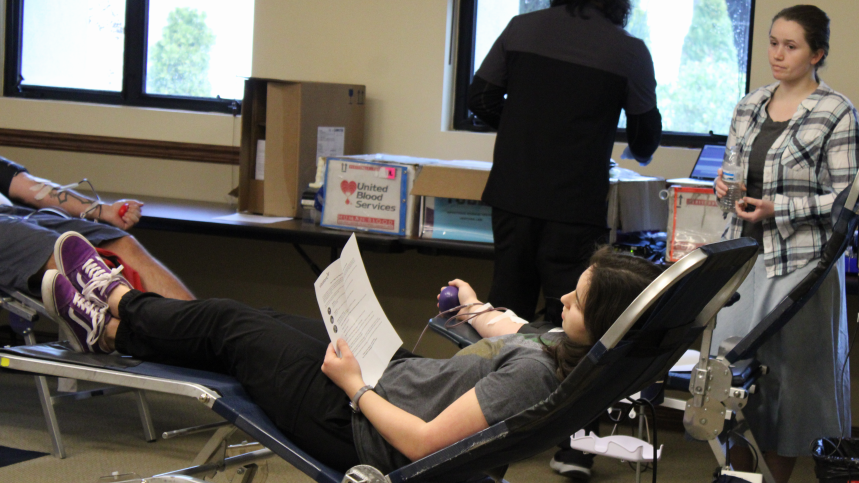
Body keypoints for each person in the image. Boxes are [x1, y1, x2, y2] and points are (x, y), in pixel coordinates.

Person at [41, 232, 662, 475]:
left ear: (602, 325)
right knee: (250, 320)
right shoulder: (565, 354)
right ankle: (112, 321)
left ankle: (115, 304)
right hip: (386, 375)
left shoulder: (532, 380)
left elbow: (421, 445)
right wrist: (473, 304)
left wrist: (353, 385)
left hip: (359, 422)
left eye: (576, 302)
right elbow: (514, 329)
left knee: (231, 328)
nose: (562, 300)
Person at [468, 0, 662, 327]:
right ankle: (556, 387)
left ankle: (498, 385)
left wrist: (521, 125)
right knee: (568, 314)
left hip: (513, 195)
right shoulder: (630, 53)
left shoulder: (522, 27)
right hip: (575, 206)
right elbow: (644, 139)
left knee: (506, 308)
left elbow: (480, 97)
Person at [712, 5, 859, 483]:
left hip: (799, 262)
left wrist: (781, 208)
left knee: (787, 385)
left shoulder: (836, 112)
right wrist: (723, 187)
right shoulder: (750, 104)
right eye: (773, 42)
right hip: (741, 257)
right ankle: (739, 476)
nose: (778, 54)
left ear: (817, 53)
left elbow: (847, 199)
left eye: (791, 46)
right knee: (725, 375)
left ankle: (774, 479)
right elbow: (734, 170)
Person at [0, 156, 194, 301]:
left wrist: (106, 211)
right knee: (69, 253)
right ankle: (149, 328)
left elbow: (29, 187)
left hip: (15, 213)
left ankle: (200, 330)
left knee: (119, 243)